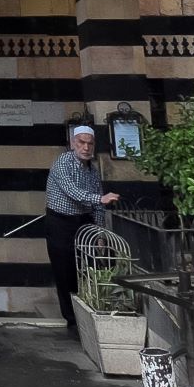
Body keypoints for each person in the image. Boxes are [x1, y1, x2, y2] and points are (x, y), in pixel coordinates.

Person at [45, 125, 120, 338]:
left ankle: (88, 311)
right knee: (64, 270)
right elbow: (73, 192)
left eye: (90, 143)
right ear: (72, 143)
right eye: (81, 142)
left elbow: (97, 204)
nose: (86, 147)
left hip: (83, 223)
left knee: (88, 269)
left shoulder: (92, 170)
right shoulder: (62, 163)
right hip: (61, 223)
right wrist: (100, 199)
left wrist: (99, 233)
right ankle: (72, 319)